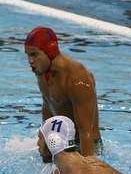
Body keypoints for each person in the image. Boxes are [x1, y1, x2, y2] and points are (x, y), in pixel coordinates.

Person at [24, 26, 101, 156]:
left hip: (85, 146)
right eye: (28, 55)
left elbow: (85, 131)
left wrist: (87, 168)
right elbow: (47, 106)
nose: (30, 61)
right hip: (60, 142)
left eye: (34, 54)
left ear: (49, 51)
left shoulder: (77, 78)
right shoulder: (42, 71)